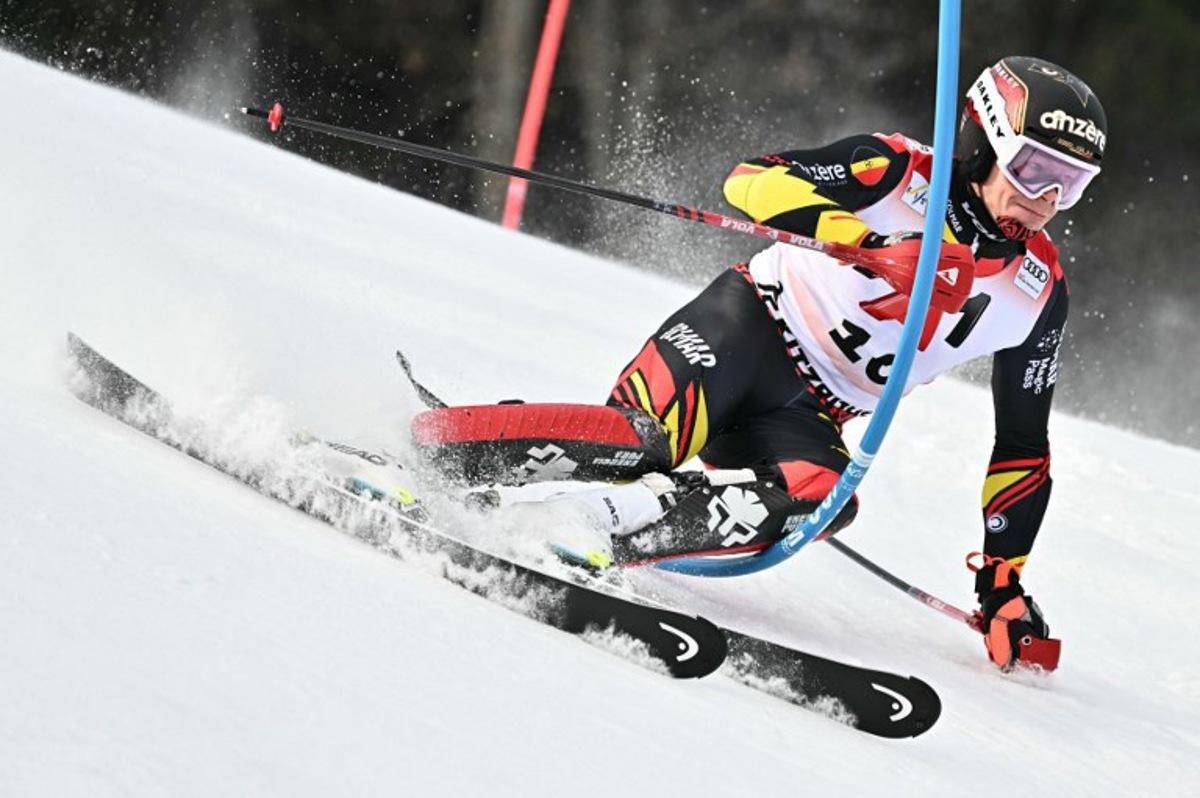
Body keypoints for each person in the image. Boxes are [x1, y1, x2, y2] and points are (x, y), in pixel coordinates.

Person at [411, 56, 1107, 672]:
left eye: (1070, 185)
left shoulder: (1037, 294)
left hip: (807, 411)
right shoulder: (897, 172)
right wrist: (859, 239)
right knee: (643, 442)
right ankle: (446, 442)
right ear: (984, 142)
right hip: (745, 331)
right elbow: (752, 181)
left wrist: (1003, 582)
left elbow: (1021, 445)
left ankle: (586, 522)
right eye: (1035, 170)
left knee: (826, 498)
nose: (1046, 199)